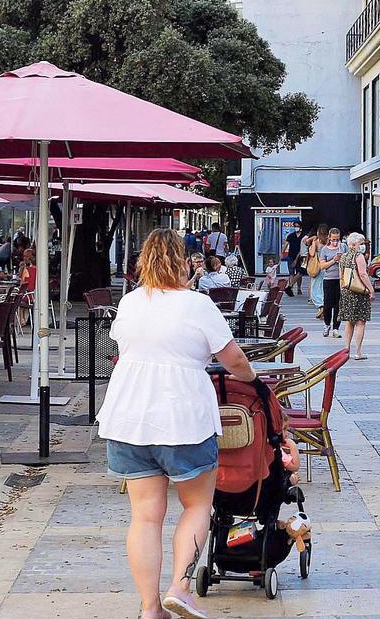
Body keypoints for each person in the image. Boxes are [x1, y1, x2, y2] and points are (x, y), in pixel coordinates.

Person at [97, 228, 255, 619]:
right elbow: (232, 358)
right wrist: (251, 377)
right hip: (183, 416)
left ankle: (150, 608)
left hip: (128, 417)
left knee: (145, 515)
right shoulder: (198, 305)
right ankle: (180, 587)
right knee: (197, 505)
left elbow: (127, 348)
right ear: (183, 261)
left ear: (143, 262)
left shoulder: (130, 303)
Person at [339, 232, 374, 360]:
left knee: (349, 322)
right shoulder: (359, 257)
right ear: (354, 244)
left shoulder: (343, 257)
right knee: (360, 322)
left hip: (347, 292)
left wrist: (342, 291)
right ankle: (358, 352)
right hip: (359, 292)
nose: (363, 245)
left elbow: (341, 277)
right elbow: (363, 275)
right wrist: (371, 290)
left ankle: (346, 349)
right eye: (361, 243)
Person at [317, 228, 347, 338]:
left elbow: (348, 260)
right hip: (329, 279)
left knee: (338, 304)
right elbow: (322, 266)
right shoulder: (324, 249)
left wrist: (342, 260)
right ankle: (326, 324)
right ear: (329, 238)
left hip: (340, 279)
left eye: (337, 239)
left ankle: (336, 328)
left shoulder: (343, 247)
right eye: (334, 239)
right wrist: (334, 260)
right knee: (328, 304)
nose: (335, 241)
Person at [305, 225, 328, 315]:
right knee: (324, 287)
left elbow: (312, 253)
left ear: (318, 232)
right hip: (326, 266)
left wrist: (313, 243)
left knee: (315, 287)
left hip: (317, 267)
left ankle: (320, 306)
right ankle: (324, 304)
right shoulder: (329, 242)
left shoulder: (317, 241)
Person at [284, 225, 304, 297]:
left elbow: (302, 248)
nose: (296, 228)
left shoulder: (303, 236)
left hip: (300, 257)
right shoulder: (291, 235)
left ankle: (298, 288)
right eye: (295, 226)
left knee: (299, 273)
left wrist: (296, 259)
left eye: (298, 226)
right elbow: (286, 244)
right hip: (291, 256)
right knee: (291, 273)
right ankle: (290, 288)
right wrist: (282, 253)